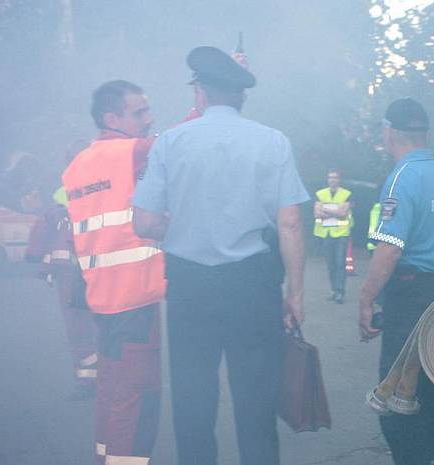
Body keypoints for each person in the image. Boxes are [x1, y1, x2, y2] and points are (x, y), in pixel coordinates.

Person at [132, 45, 309, 465]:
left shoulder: (170, 143)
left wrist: (186, 225)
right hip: (252, 286)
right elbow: (290, 225)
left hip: (191, 290)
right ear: (242, 95)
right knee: (256, 401)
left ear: (200, 92)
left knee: (194, 402)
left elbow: (144, 222)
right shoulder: (273, 142)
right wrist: (295, 294)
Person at [359, 98, 434, 465]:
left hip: (410, 296)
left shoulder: (402, 177)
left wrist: (366, 299)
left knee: (396, 396)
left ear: (389, 132)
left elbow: (389, 250)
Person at [62, 80, 164, 465]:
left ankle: (107, 458)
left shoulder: (77, 165)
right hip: (134, 297)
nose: (149, 119)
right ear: (111, 118)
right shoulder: (129, 151)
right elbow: (183, 144)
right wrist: (207, 102)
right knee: (136, 403)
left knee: (113, 394)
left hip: (104, 296)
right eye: (139, 112)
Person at [26, 176, 97, 401]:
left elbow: (36, 246)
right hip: (100, 273)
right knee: (110, 326)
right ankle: (114, 378)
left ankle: (87, 381)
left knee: (79, 331)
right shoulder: (102, 194)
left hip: (69, 278)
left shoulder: (55, 208)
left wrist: (36, 256)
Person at [313, 169, 353, 303]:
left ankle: (340, 292)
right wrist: (335, 210)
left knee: (340, 263)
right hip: (326, 233)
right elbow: (317, 214)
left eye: (335, 177)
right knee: (330, 264)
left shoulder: (346, 194)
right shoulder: (320, 193)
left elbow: (343, 213)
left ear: (339, 179)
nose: (332, 180)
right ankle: (333, 290)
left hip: (341, 233)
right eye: (330, 177)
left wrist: (325, 209)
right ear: (327, 179)